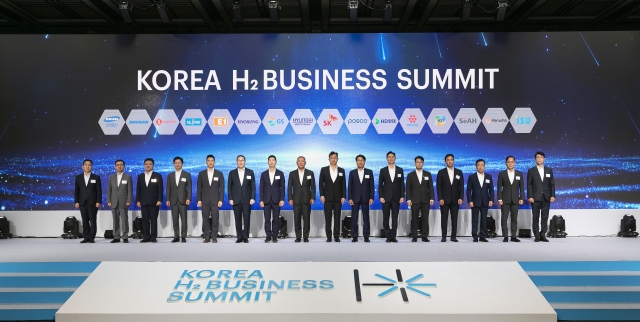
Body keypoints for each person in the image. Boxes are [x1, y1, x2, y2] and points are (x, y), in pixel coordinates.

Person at [527, 151, 556, 242]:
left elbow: (552, 184)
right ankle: (536, 235)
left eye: (541, 157)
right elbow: (529, 185)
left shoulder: (549, 170)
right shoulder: (531, 170)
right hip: (535, 197)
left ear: (544, 159)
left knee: (545, 217)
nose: (539, 159)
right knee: (535, 217)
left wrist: (552, 195)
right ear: (535, 159)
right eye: (538, 157)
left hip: (546, 197)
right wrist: (530, 196)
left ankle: (543, 234)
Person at [319, 151, 346, 242]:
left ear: (337, 159)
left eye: (335, 158)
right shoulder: (324, 169)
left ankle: (337, 236)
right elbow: (320, 184)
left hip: (338, 198)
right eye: (332, 158)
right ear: (329, 159)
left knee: (337, 218)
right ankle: (329, 236)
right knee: (328, 218)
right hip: (327, 197)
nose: (333, 159)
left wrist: (343, 196)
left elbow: (343, 185)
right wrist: (322, 195)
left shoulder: (342, 170)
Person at [196, 154, 224, 243]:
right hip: (204, 200)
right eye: (209, 161)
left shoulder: (219, 173)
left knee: (215, 219)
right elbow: (199, 187)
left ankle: (214, 236)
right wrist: (199, 200)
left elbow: (222, 188)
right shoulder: (201, 173)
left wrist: (221, 200)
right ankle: (207, 236)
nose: (210, 162)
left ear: (214, 162)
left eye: (212, 161)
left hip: (215, 200)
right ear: (206, 162)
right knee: (205, 219)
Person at [228, 155, 256, 243]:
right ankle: (239, 237)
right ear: (236, 161)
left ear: (245, 161)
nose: (240, 162)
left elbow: (253, 186)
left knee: (247, 219)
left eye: (242, 160)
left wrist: (252, 198)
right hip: (235, 199)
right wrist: (230, 198)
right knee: (237, 219)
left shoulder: (250, 172)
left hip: (247, 199)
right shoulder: (232, 173)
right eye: (239, 160)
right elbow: (229, 187)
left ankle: (246, 237)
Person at [288, 156, 316, 243]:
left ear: (305, 162)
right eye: (299, 161)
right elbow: (289, 187)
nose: (300, 162)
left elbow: (313, 187)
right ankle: (298, 236)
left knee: (306, 219)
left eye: (302, 161)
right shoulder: (292, 173)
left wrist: (312, 197)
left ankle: (306, 236)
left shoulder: (310, 173)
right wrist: (290, 198)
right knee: (297, 219)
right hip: (295, 199)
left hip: (307, 199)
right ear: (296, 162)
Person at [406, 156, 434, 242]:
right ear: (415, 163)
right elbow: (408, 188)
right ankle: (414, 236)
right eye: (417, 162)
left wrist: (432, 198)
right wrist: (408, 199)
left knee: (425, 218)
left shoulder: (427, 174)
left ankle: (424, 236)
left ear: (423, 163)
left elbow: (431, 187)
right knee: (414, 218)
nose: (419, 163)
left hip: (426, 200)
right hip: (414, 200)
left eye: (420, 162)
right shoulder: (410, 175)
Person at [436, 154, 464, 242]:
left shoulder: (459, 172)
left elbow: (461, 186)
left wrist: (461, 197)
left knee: (454, 219)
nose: (449, 161)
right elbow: (438, 186)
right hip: (444, 200)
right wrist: (440, 198)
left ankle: (453, 236)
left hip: (455, 199)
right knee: (444, 219)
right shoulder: (441, 172)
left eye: (451, 159)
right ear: (445, 161)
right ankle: (443, 236)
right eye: (448, 160)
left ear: (454, 161)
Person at [378, 151, 404, 243]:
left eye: (392, 157)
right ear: (386, 159)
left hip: (396, 198)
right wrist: (381, 196)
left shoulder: (400, 170)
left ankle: (393, 236)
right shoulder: (383, 170)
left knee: (395, 218)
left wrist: (402, 196)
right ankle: (388, 236)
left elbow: (401, 185)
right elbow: (380, 185)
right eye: (389, 157)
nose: (391, 158)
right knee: (386, 217)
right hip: (385, 198)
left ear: (395, 158)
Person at [497, 155, 524, 242]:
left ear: (515, 163)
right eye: (508, 162)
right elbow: (499, 187)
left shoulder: (519, 174)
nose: (510, 163)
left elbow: (522, 187)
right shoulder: (502, 174)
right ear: (506, 163)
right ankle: (505, 236)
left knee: (514, 219)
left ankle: (513, 236)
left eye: (512, 162)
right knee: (504, 218)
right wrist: (499, 198)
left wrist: (521, 198)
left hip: (516, 199)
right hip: (505, 199)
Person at [74, 159, 102, 244]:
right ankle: (86, 237)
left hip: (93, 202)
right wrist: (76, 201)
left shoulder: (96, 177)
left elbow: (99, 190)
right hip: (82, 202)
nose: (87, 166)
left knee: (92, 220)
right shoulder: (78, 177)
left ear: (92, 167)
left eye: (89, 165)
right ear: (83, 166)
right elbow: (77, 191)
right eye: (86, 165)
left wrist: (98, 201)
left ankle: (91, 237)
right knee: (85, 220)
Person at [348, 154, 374, 243]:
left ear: (364, 162)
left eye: (362, 160)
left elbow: (371, 186)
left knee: (366, 218)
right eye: (358, 160)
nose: (360, 162)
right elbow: (350, 186)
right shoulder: (352, 173)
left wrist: (371, 197)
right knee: (354, 218)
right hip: (355, 198)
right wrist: (350, 198)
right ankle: (354, 236)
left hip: (366, 198)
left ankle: (366, 236)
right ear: (356, 162)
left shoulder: (369, 172)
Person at [136, 158, 163, 243]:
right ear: (144, 165)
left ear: (153, 165)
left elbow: (160, 189)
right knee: (145, 220)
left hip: (154, 201)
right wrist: (138, 200)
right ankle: (146, 236)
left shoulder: (157, 175)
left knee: (154, 220)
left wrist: (159, 199)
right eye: (146, 164)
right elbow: (138, 189)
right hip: (143, 201)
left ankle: (153, 237)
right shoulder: (140, 176)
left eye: (150, 164)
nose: (148, 165)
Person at [466, 159, 494, 242]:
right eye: (478, 165)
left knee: (484, 220)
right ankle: (475, 236)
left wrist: (491, 199)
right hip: (474, 201)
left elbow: (491, 190)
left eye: (482, 165)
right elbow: (468, 190)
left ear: (484, 166)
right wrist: (470, 201)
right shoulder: (472, 177)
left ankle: (483, 236)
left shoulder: (489, 176)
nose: (480, 166)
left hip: (485, 201)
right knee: (475, 219)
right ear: (476, 166)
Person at [260, 155, 285, 243]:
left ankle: (275, 236)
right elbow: (261, 188)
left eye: (273, 160)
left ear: (276, 162)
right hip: (266, 199)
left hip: (276, 199)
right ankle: (268, 236)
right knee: (267, 219)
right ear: (268, 162)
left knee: (275, 219)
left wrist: (282, 199)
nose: (271, 162)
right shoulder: (263, 174)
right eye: (270, 160)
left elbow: (282, 187)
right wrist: (261, 200)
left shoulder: (280, 173)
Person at [166, 156, 192, 243]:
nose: (177, 164)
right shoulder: (170, 175)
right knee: (175, 219)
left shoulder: (186, 174)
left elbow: (190, 188)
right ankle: (176, 236)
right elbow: (168, 188)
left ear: (182, 164)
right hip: (173, 200)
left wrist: (188, 198)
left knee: (184, 219)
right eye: (176, 163)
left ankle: (183, 236)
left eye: (179, 163)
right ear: (174, 164)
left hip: (183, 200)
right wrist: (167, 199)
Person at [107, 159, 132, 243]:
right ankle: (116, 236)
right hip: (114, 201)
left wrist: (129, 200)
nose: (119, 166)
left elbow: (130, 190)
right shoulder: (111, 177)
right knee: (115, 220)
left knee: (124, 219)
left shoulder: (128, 177)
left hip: (124, 201)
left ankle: (125, 236)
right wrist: (109, 200)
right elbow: (109, 190)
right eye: (117, 165)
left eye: (121, 164)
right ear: (115, 167)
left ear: (124, 166)